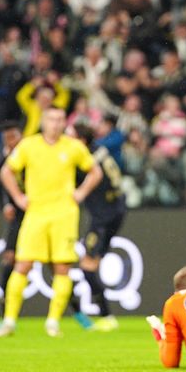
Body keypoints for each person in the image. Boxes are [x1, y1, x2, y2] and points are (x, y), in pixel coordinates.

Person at [0, 106, 102, 338]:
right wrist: (18, 197)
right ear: (43, 121)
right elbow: (6, 171)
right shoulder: (29, 145)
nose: (56, 123)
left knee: (62, 268)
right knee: (23, 265)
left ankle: (53, 322)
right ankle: (9, 321)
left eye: (60, 119)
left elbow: (95, 172)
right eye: (52, 119)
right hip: (36, 213)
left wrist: (81, 193)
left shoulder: (74, 147)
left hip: (64, 215)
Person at [68, 124, 127, 332]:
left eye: (70, 136)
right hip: (116, 209)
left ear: (82, 140)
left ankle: (106, 316)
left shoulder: (84, 160)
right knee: (91, 264)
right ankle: (94, 312)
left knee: (87, 266)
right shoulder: (100, 151)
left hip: (103, 216)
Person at [0, 121, 24, 311]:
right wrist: (7, 203)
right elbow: (3, 180)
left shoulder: (32, 153)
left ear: (20, 136)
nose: (11, 142)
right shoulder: (5, 161)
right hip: (19, 213)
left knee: (56, 265)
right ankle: (6, 311)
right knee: (9, 258)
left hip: (38, 211)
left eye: (13, 137)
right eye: (7, 139)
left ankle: (78, 311)